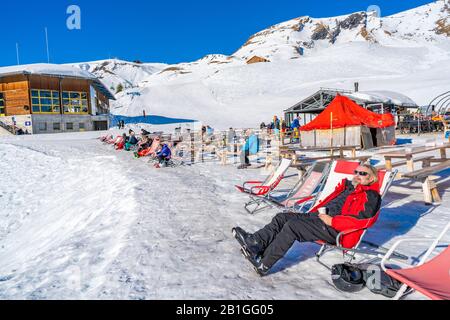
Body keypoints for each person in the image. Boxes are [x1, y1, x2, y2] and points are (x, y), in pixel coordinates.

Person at [232, 164, 382, 276]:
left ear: (371, 178)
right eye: (356, 171)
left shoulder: (371, 196)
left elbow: (363, 221)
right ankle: (255, 243)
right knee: (282, 217)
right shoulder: (349, 188)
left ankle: (264, 264)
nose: (357, 175)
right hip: (318, 217)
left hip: (335, 230)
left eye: (362, 173)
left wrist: (332, 221)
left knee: (293, 226)